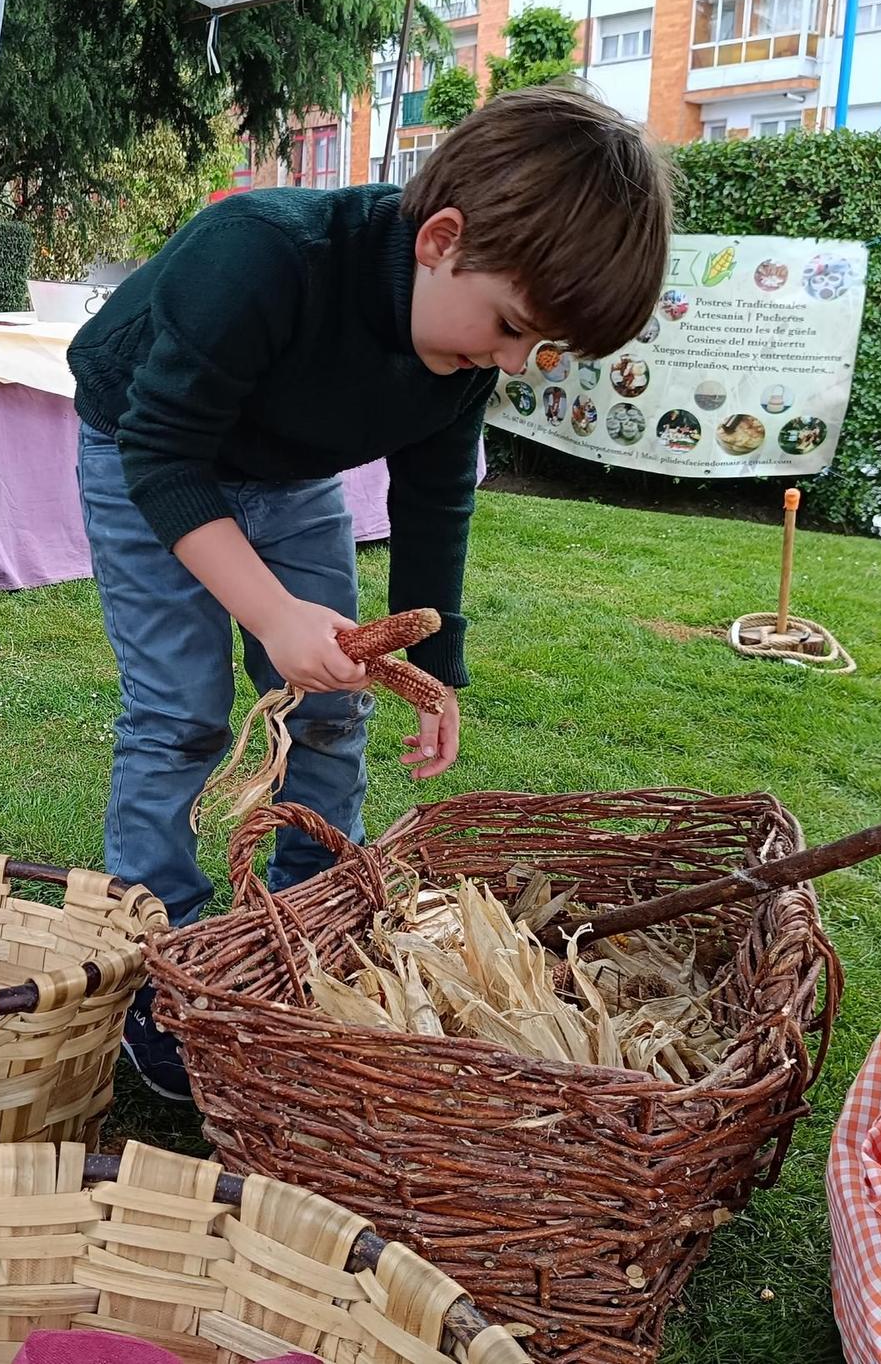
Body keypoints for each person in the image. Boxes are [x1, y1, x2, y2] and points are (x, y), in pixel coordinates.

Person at [70, 85, 672, 1100]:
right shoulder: (257, 250)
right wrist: (268, 611)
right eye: (511, 327)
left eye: (542, 351)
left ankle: (305, 938)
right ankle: (154, 967)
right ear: (441, 238)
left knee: (336, 709)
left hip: (290, 477)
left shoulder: (464, 348)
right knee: (174, 715)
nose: (512, 364)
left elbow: (435, 501)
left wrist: (431, 675)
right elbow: (163, 455)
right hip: (148, 458)